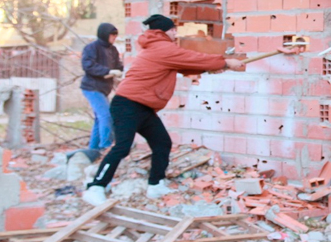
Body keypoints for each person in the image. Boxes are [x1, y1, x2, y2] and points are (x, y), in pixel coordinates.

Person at [83, 14, 246, 206]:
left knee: (162, 143)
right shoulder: (163, 47)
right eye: (173, 29)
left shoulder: (159, 48)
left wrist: (211, 68)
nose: (175, 33)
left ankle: (155, 184)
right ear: (163, 31)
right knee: (122, 147)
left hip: (143, 106)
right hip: (127, 104)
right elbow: (192, 58)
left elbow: (183, 65)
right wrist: (226, 62)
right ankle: (96, 187)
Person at [80, 22, 123, 150]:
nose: (114, 38)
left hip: (104, 89)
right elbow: (88, 66)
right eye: (112, 35)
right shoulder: (92, 48)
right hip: (92, 88)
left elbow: (118, 65)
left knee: (99, 119)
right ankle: (106, 146)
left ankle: (93, 150)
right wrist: (107, 71)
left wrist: (121, 72)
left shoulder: (113, 50)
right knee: (106, 115)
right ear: (104, 35)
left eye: (115, 35)